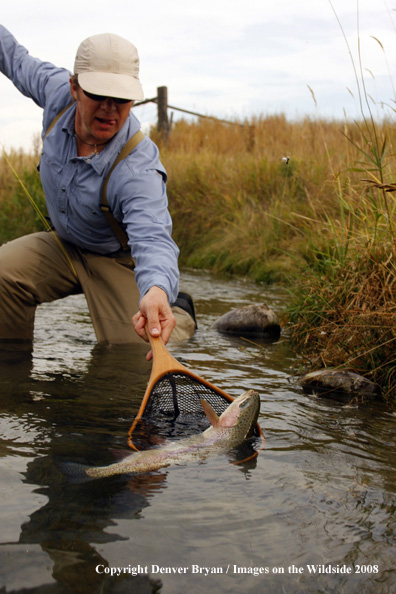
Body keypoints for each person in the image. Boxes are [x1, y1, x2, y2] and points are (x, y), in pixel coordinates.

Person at [0, 26, 196, 354]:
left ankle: (180, 310)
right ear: (74, 87)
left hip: (118, 262)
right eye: (97, 95)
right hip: (64, 246)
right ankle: (12, 371)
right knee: (2, 275)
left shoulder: (138, 167)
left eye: (120, 98)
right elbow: (15, 59)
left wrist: (157, 290)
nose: (109, 108)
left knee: (135, 351)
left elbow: (153, 239)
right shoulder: (55, 92)